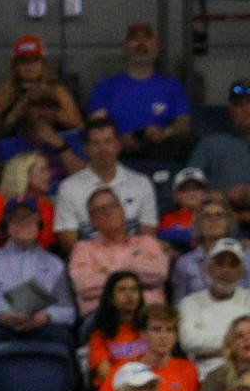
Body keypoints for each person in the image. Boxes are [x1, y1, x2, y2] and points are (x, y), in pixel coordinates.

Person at [0, 198, 75, 348]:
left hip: (42, 326)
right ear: (7, 227)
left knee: (63, 338)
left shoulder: (55, 264)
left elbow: (69, 312)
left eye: (30, 220)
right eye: (17, 220)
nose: (23, 224)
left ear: (39, 226)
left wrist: (46, 317)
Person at [87, 21, 193, 159]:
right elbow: (96, 125)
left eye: (146, 38)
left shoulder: (172, 87)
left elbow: (183, 123)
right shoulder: (105, 88)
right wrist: (119, 138)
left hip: (161, 154)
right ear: (125, 47)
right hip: (117, 155)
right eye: (134, 39)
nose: (141, 44)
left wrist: (164, 132)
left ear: (157, 46)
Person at [55, 118, 159, 252]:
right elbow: (69, 243)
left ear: (118, 145)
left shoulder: (141, 183)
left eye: (108, 141)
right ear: (86, 148)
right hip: (90, 264)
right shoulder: (68, 187)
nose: (103, 149)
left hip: (133, 261)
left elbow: (148, 236)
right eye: (96, 143)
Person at [68, 190, 170, 319]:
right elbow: (83, 286)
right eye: (100, 209)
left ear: (122, 211)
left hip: (148, 314)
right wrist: (134, 271)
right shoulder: (83, 248)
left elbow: (159, 273)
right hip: (104, 316)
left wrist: (107, 273)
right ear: (92, 221)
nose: (107, 212)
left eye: (112, 206)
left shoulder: (147, 242)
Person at [178, 239, 250, 375]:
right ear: (209, 269)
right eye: (220, 263)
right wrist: (239, 342)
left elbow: (198, 342)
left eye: (233, 265)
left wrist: (209, 348)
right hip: (202, 374)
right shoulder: (189, 303)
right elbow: (189, 342)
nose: (226, 270)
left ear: (241, 272)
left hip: (245, 373)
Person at [190, 81, 250, 216]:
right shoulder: (211, 143)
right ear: (230, 109)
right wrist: (224, 195)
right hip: (220, 218)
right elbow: (189, 190)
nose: (246, 109)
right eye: (239, 104)